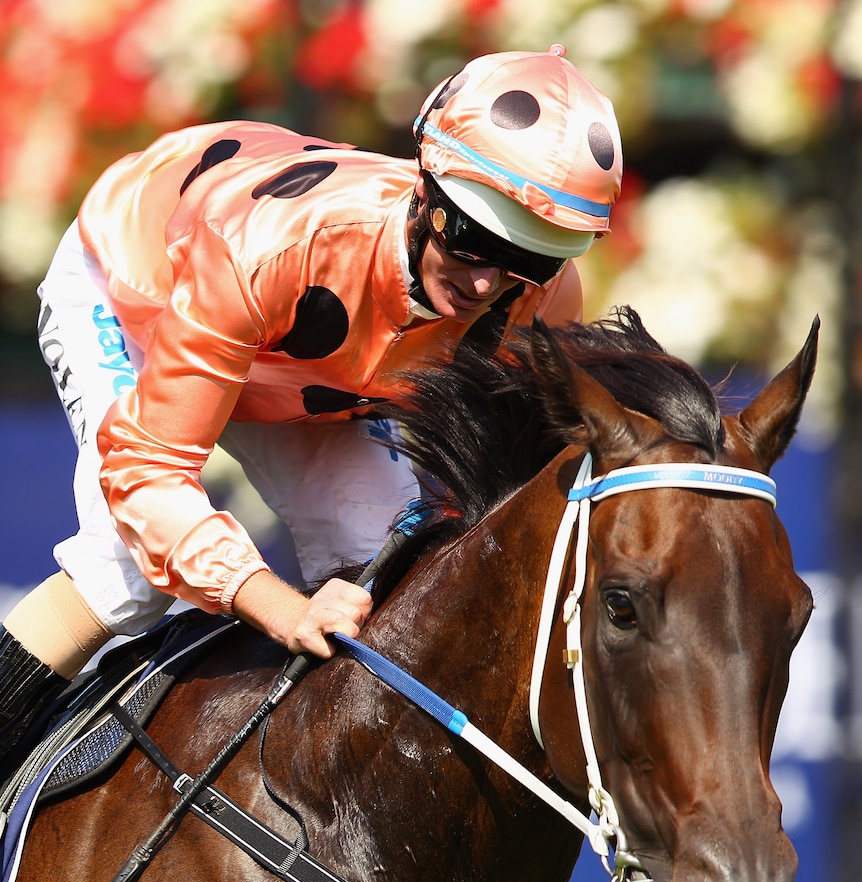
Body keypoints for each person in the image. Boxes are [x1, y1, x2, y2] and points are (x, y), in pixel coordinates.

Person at [0, 45, 622, 766]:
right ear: (426, 190)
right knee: (126, 571)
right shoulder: (266, 249)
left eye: (531, 259)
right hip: (139, 293)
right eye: (473, 238)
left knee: (382, 569)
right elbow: (149, 474)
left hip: (302, 368)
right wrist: (277, 605)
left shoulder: (541, 297)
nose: (487, 284)